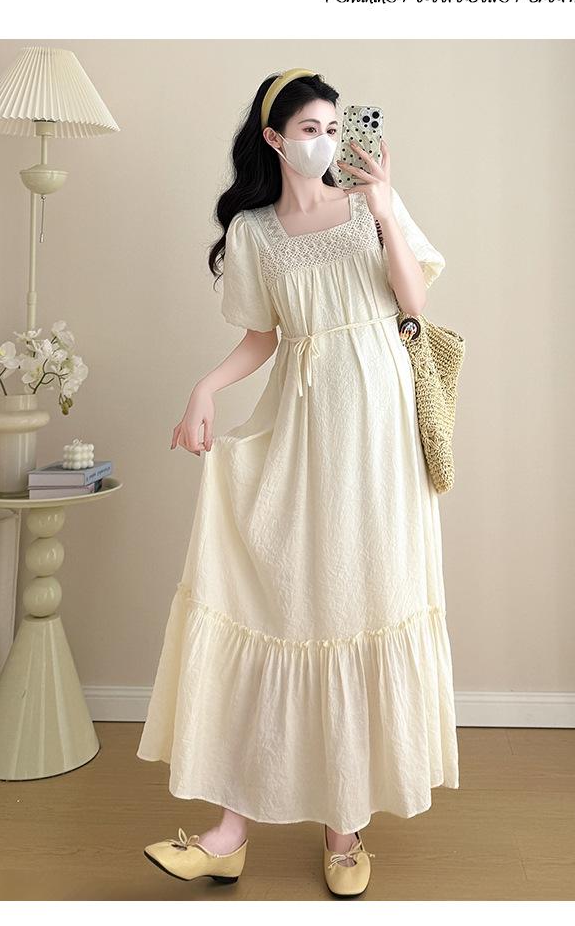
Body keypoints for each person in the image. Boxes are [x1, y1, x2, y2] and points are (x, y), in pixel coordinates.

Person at [137, 68, 460, 898]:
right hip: (304, 423)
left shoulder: (369, 204)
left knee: (356, 601)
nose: (325, 139)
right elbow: (263, 336)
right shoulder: (252, 232)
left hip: (379, 428)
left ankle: (344, 828)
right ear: (275, 138)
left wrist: (382, 206)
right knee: (279, 603)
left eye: (333, 125)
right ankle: (228, 833)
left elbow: (414, 301)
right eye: (309, 128)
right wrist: (206, 388)